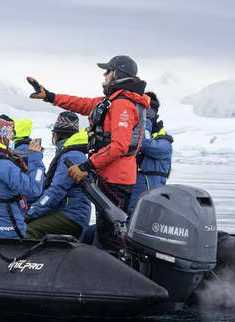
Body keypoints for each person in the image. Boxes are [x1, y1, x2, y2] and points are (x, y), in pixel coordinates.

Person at [27, 55, 150, 252]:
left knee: (110, 233)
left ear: (118, 73)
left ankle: (113, 274)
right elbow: (81, 104)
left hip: (116, 178)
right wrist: (50, 96)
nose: (104, 74)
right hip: (109, 175)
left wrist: (86, 166)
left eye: (108, 71)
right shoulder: (112, 101)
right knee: (106, 230)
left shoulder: (122, 104)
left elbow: (119, 145)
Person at [25, 111, 92, 239]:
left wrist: (32, 212)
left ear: (58, 135)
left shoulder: (71, 155)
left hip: (71, 214)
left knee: (29, 230)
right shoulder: (69, 152)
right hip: (69, 211)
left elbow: (56, 190)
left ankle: (32, 259)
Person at [128, 91, 173, 215]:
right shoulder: (133, 137)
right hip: (133, 196)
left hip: (149, 201)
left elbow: (145, 144)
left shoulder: (164, 143)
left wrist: (146, 122)